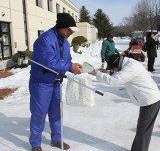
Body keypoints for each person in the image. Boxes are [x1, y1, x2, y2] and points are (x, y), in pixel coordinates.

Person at [29, 13, 82, 151]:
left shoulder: (65, 42)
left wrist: (72, 65)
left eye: (72, 31)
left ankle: (57, 139)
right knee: (39, 113)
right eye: (69, 30)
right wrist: (69, 67)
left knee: (56, 112)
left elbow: (66, 60)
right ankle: (35, 144)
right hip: (41, 83)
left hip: (55, 82)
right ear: (61, 27)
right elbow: (50, 62)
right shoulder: (45, 40)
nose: (70, 33)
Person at [89, 54, 160, 151]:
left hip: (150, 100)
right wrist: (103, 72)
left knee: (143, 130)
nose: (114, 70)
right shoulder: (127, 64)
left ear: (117, 64)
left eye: (113, 68)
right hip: (149, 99)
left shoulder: (130, 68)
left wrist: (96, 73)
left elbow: (113, 81)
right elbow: (117, 73)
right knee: (143, 129)